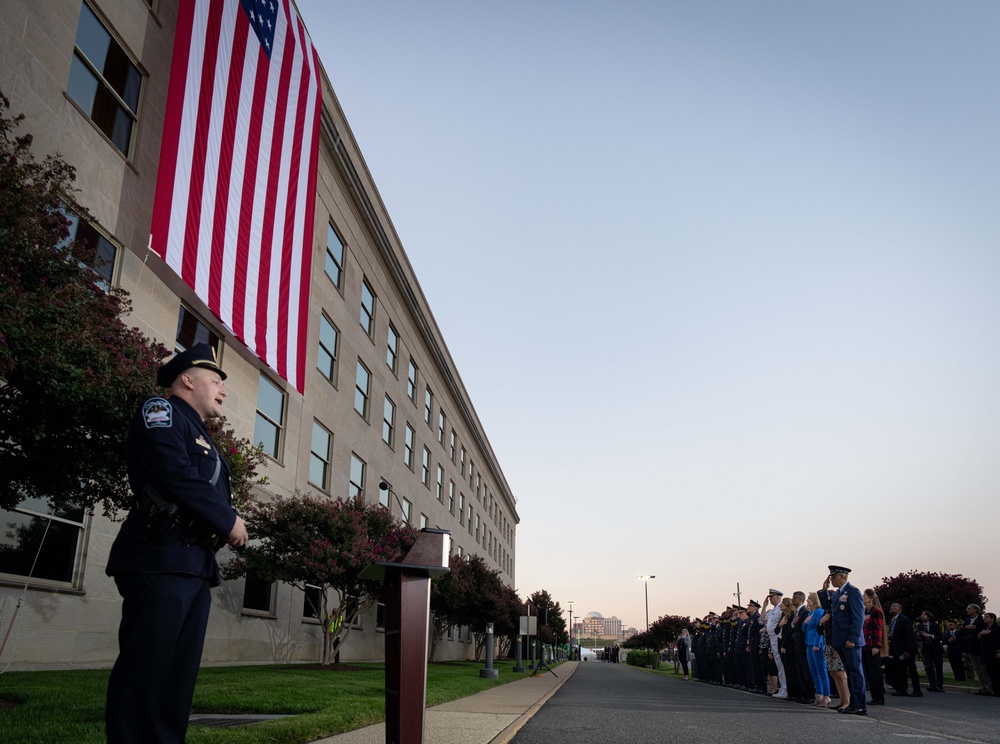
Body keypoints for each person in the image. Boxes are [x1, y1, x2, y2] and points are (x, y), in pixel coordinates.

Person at [105, 344, 249, 744]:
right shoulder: (162, 412)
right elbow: (175, 474)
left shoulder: (200, 432)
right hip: (159, 560)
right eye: (216, 381)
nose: (223, 390)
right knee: (144, 674)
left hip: (191, 566)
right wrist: (228, 519)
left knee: (176, 683)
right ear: (187, 379)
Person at [820, 566, 867, 716]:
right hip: (840, 640)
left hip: (850, 640)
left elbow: (858, 617)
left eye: (833, 577)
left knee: (855, 673)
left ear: (842, 577)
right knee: (850, 672)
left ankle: (860, 705)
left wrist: (852, 638)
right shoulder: (838, 594)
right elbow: (829, 608)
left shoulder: (852, 592)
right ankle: (852, 703)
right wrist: (823, 591)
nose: (831, 580)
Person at [888, 602, 922, 697]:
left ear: (900, 609)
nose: (892, 607)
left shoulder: (905, 620)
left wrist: (907, 650)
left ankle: (917, 690)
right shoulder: (891, 621)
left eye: (894, 606)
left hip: (906, 649)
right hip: (896, 649)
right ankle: (902, 689)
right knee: (900, 670)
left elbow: (909, 636)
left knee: (911, 669)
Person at [803, 592, 830, 708]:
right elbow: (805, 629)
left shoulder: (819, 612)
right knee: (814, 671)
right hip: (809, 642)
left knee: (821, 671)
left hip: (816, 644)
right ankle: (818, 694)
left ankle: (826, 695)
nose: (807, 600)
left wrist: (817, 643)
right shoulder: (810, 613)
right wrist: (805, 622)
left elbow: (820, 628)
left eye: (809, 598)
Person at [862, 588, 887, 705]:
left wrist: (876, 646)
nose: (863, 597)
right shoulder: (866, 612)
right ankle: (874, 696)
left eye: (865, 596)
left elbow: (878, 629)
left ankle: (879, 696)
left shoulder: (876, 611)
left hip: (872, 645)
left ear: (870, 598)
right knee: (869, 672)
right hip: (865, 645)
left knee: (875, 672)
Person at [763, 589, 789, 698]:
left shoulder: (780, 609)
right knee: (778, 664)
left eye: (771, 597)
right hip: (772, 639)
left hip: (777, 638)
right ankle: (782, 688)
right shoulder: (773, 610)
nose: (770, 599)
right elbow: (763, 619)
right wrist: (764, 606)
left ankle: (785, 689)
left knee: (781, 664)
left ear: (778, 597)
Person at [791, 590, 816, 702]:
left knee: (806, 669)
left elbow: (804, 629)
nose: (792, 599)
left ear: (800, 599)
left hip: (803, 644)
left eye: (794, 597)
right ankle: (804, 693)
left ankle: (810, 694)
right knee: (801, 668)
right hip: (797, 645)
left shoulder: (804, 612)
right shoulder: (797, 612)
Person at [963, 603, 992, 695]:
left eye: (969, 608)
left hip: (979, 647)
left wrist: (974, 628)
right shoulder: (967, 620)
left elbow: (982, 629)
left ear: (975, 610)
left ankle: (988, 688)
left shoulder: (981, 620)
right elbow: (962, 632)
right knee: (977, 668)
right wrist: (967, 627)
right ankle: (981, 687)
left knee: (983, 668)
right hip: (971, 647)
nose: (967, 610)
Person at [917, 611, 944, 692]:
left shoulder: (935, 625)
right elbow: (920, 638)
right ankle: (933, 685)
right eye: (921, 614)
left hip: (936, 648)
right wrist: (919, 636)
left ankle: (939, 685)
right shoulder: (920, 626)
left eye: (924, 614)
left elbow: (940, 637)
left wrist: (930, 635)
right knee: (929, 667)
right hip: (926, 649)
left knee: (938, 667)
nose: (922, 616)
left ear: (929, 617)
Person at [978, 612, 1000, 697]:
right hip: (985, 653)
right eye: (984, 617)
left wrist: (998, 651)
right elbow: (979, 638)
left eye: (987, 617)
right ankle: (994, 690)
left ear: (992, 619)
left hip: (994, 653)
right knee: (990, 673)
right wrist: (981, 634)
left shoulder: (996, 628)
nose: (985, 618)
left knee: (996, 672)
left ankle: (998, 691)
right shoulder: (984, 628)